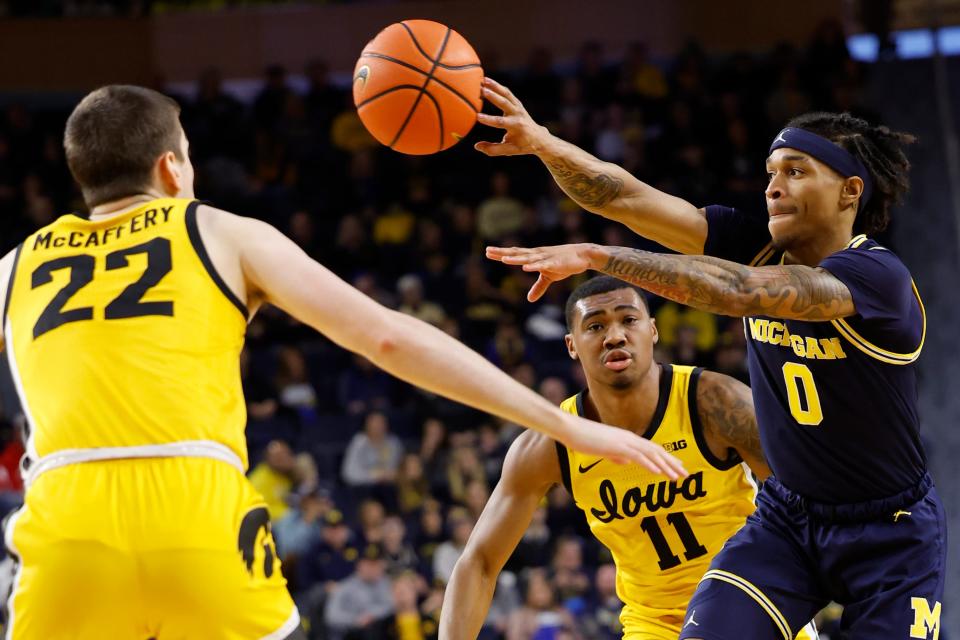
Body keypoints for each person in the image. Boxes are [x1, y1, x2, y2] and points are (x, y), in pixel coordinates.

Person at [0, 85, 688, 640]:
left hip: (65, 524)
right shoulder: (218, 230)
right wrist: (567, 426)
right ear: (170, 167)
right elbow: (386, 338)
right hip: (193, 508)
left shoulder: (15, 266)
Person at [479, 77, 945, 639]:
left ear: (850, 191)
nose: (773, 186)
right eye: (771, 172)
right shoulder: (754, 243)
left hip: (890, 533)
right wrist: (543, 142)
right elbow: (624, 197)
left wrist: (602, 257)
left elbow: (743, 291)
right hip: (790, 519)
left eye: (796, 170)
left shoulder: (879, 278)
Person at [440, 277, 818, 639]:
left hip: (752, 594)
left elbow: (807, 504)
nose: (615, 336)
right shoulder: (548, 444)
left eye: (629, 320)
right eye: (596, 326)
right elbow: (479, 562)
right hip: (654, 621)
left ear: (652, 330)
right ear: (572, 345)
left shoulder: (715, 402)